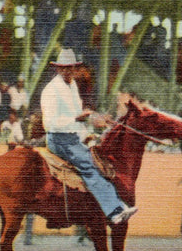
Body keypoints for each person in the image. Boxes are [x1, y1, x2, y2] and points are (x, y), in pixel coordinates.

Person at [41, 48, 137, 226]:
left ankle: (108, 204)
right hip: (59, 139)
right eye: (64, 68)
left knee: (100, 158)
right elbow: (50, 123)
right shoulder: (51, 90)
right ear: (58, 69)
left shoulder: (73, 86)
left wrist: (91, 127)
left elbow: (80, 115)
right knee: (89, 165)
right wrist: (77, 119)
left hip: (73, 137)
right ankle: (113, 211)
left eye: (71, 68)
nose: (68, 71)